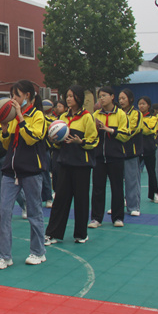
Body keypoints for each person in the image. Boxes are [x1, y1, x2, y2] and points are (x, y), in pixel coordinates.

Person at [0, 80, 47, 269]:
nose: (13, 99)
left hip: (31, 171)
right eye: (12, 95)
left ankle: (38, 252)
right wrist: (4, 130)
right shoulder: (12, 117)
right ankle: (4, 256)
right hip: (10, 171)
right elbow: (7, 145)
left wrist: (21, 118)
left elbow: (32, 139)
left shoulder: (38, 115)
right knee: (4, 213)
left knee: (34, 212)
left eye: (16, 95)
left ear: (27, 96)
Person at [45, 85, 98, 245]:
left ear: (78, 98)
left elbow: (94, 140)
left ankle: (81, 234)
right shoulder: (63, 118)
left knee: (81, 200)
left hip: (81, 165)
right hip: (65, 163)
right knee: (60, 199)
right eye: (67, 96)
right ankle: (53, 233)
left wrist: (80, 142)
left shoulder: (87, 117)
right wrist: (54, 140)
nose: (68, 99)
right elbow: (57, 143)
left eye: (71, 96)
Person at [89, 86, 130, 228]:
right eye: (100, 96)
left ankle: (118, 218)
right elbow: (91, 134)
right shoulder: (95, 115)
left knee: (117, 188)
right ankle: (96, 218)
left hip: (116, 157)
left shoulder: (121, 114)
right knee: (97, 189)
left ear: (112, 97)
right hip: (99, 157)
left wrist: (109, 130)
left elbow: (125, 135)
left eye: (104, 95)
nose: (101, 98)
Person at [0, 101, 26, 217]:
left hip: (6, 155)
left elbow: (6, 138)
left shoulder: (9, 117)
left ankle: (24, 204)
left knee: (13, 184)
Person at [119, 89, 143, 217]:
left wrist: (117, 133)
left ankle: (134, 206)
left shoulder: (136, 114)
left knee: (132, 180)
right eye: (119, 98)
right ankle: (118, 206)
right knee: (117, 181)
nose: (121, 101)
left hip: (131, 152)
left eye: (124, 98)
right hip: (117, 152)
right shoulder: (117, 113)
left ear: (131, 99)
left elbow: (132, 129)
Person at [137, 96, 158, 203]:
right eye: (139, 104)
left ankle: (154, 194)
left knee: (151, 172)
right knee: (133, 174)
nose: (141, 106)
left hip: (149, 148)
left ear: (148, 106)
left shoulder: (153, 118)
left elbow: (148, 130)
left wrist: (138, 123)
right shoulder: (135, 117)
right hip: (136, 148)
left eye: (143, 104)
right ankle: (129, 197)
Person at [41, 99, 56, 208]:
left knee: (45, 174)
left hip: (44, 149)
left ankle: (48, 198)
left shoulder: (51, 120)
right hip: (33, 149)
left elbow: (53, 126)